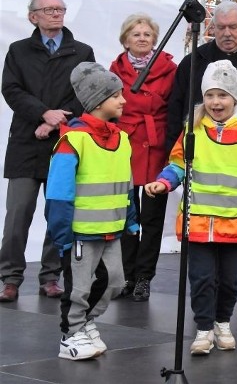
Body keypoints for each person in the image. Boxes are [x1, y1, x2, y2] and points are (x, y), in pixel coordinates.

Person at [146, 60, 237, 356]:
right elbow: (177, 164)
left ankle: (222, 323)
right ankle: (203, 329)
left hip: (236, 223)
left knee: (229, 281)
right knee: (201, 279)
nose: (216, 102)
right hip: (198, 222)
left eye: (223, 95)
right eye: (211, 95)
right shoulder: (193, 130)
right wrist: (164, 183)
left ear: (234, 98)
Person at [166, 1, 237, 305]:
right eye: (221, 27)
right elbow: (179, 105)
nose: (227, 33)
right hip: (205, 150)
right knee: (206, 217)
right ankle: (209, 280)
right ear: (211, 28)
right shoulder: (194, 61)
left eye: (234, 27)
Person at [0, 0, 95, 302]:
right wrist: (42, 113)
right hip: (26, 144)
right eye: (50, 9)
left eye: (61, 8)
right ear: (33, 16)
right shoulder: (18, 51)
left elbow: (85, 93)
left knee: (58, 215)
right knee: (17, 216)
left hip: (63, 143)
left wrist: (53, 121)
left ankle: (50, 277)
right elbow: (11, 89)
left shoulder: (82, 52)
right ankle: (10, 278)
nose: (57, 14)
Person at [46, 62, 139, 360]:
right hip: (80, 234)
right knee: (78, 289)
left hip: (112, 229)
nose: (123, 100)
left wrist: (131, 220)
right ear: (98, 102)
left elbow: (127, 185)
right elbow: (59, 194)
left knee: (114, 281)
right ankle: (70, 335)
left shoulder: (122, 139)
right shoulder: (73, 140)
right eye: (116, 96)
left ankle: (85, 323)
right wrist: (61, 235)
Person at [110, 14, 176, 302]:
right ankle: (125, 275)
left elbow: (173, 105)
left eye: (147, 34)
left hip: (156, 143)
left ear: (155, 39)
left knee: (151, 217)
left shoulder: (170, 68)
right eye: (135, 34)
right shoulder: (114, 69)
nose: (141, 38)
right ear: (125, 39)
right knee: (126, 215)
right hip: (125, 143)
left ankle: (143, 278)